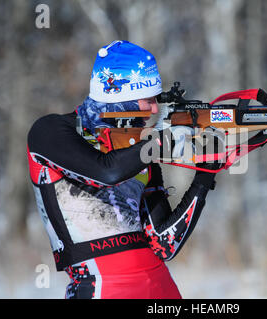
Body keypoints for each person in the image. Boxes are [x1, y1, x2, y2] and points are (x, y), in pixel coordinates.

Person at [27, 40, 219, 299]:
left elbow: (165, 245)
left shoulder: (139, 147)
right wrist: (163, 140)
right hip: (100, 287)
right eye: (147, 98)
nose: (154, 108)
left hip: (161, 288)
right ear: (119, 97)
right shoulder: (50, 131)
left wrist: (206, 174)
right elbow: (105, 173)